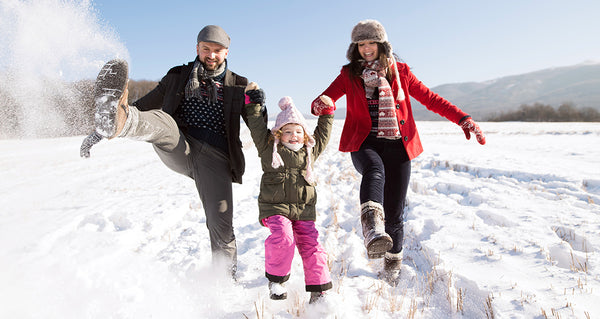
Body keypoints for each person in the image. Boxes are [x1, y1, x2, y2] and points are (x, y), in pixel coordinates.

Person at [80, 25, 267, 278]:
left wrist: (257, 104)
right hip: (181, 144)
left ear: (226, 52)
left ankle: (224, 284)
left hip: (217, 159)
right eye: (206, 49)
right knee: (163, 123)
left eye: (217, 51)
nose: (211, 56)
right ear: (197, 48)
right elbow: (143, 105)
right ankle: (120, 123)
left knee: (221, 225)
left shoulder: (238, 85)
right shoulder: (178, 76)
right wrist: (105, 129)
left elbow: (257, 125)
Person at [311, 19, 486, 283]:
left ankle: (392, 264)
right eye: (361, 44)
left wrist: (463, 118)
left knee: (395, 211)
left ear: (382, 44)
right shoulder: (348, 75)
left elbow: (430, 98)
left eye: (371, 42)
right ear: (355, 47)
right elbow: (323, 100)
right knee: (374, 170)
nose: (367, 48)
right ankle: (371, 227)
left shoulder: (400, 71)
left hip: (398, 145)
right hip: (364, 143)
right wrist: (320, 104)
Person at [244, 82, 335, 304]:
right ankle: (276, 281)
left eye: (298, 131)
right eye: (287, 131)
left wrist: (328, 113)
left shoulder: (309, 153)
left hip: (303, 210)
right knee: (283, 238)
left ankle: (319, 291)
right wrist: (253, 102)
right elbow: (256, 126)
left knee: (312, 245)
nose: (293, 135)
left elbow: (323, 133)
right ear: (279, 133)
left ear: (304, 135)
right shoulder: (269, 150)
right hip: (275, 208)